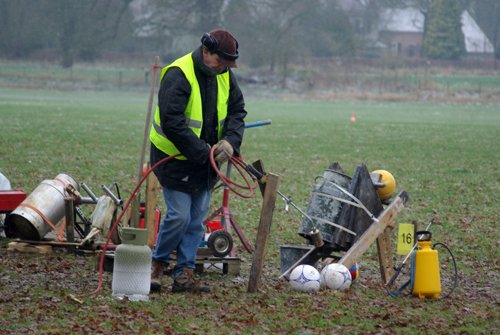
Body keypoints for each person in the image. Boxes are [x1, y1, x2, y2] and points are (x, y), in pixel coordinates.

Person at [149, 29, 247, 293]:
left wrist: (230, 141)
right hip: (175, 158)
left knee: (196, 219)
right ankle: (156, 265)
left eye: (229, 63)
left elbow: (238, 111)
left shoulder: (224, 74)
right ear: (206, 52)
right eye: (222, 61)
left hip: (206, 163)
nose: (226, 68)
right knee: (179, 216)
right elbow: (173, 122)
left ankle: (184, 274)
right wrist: (205, 153)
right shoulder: (178, 73)